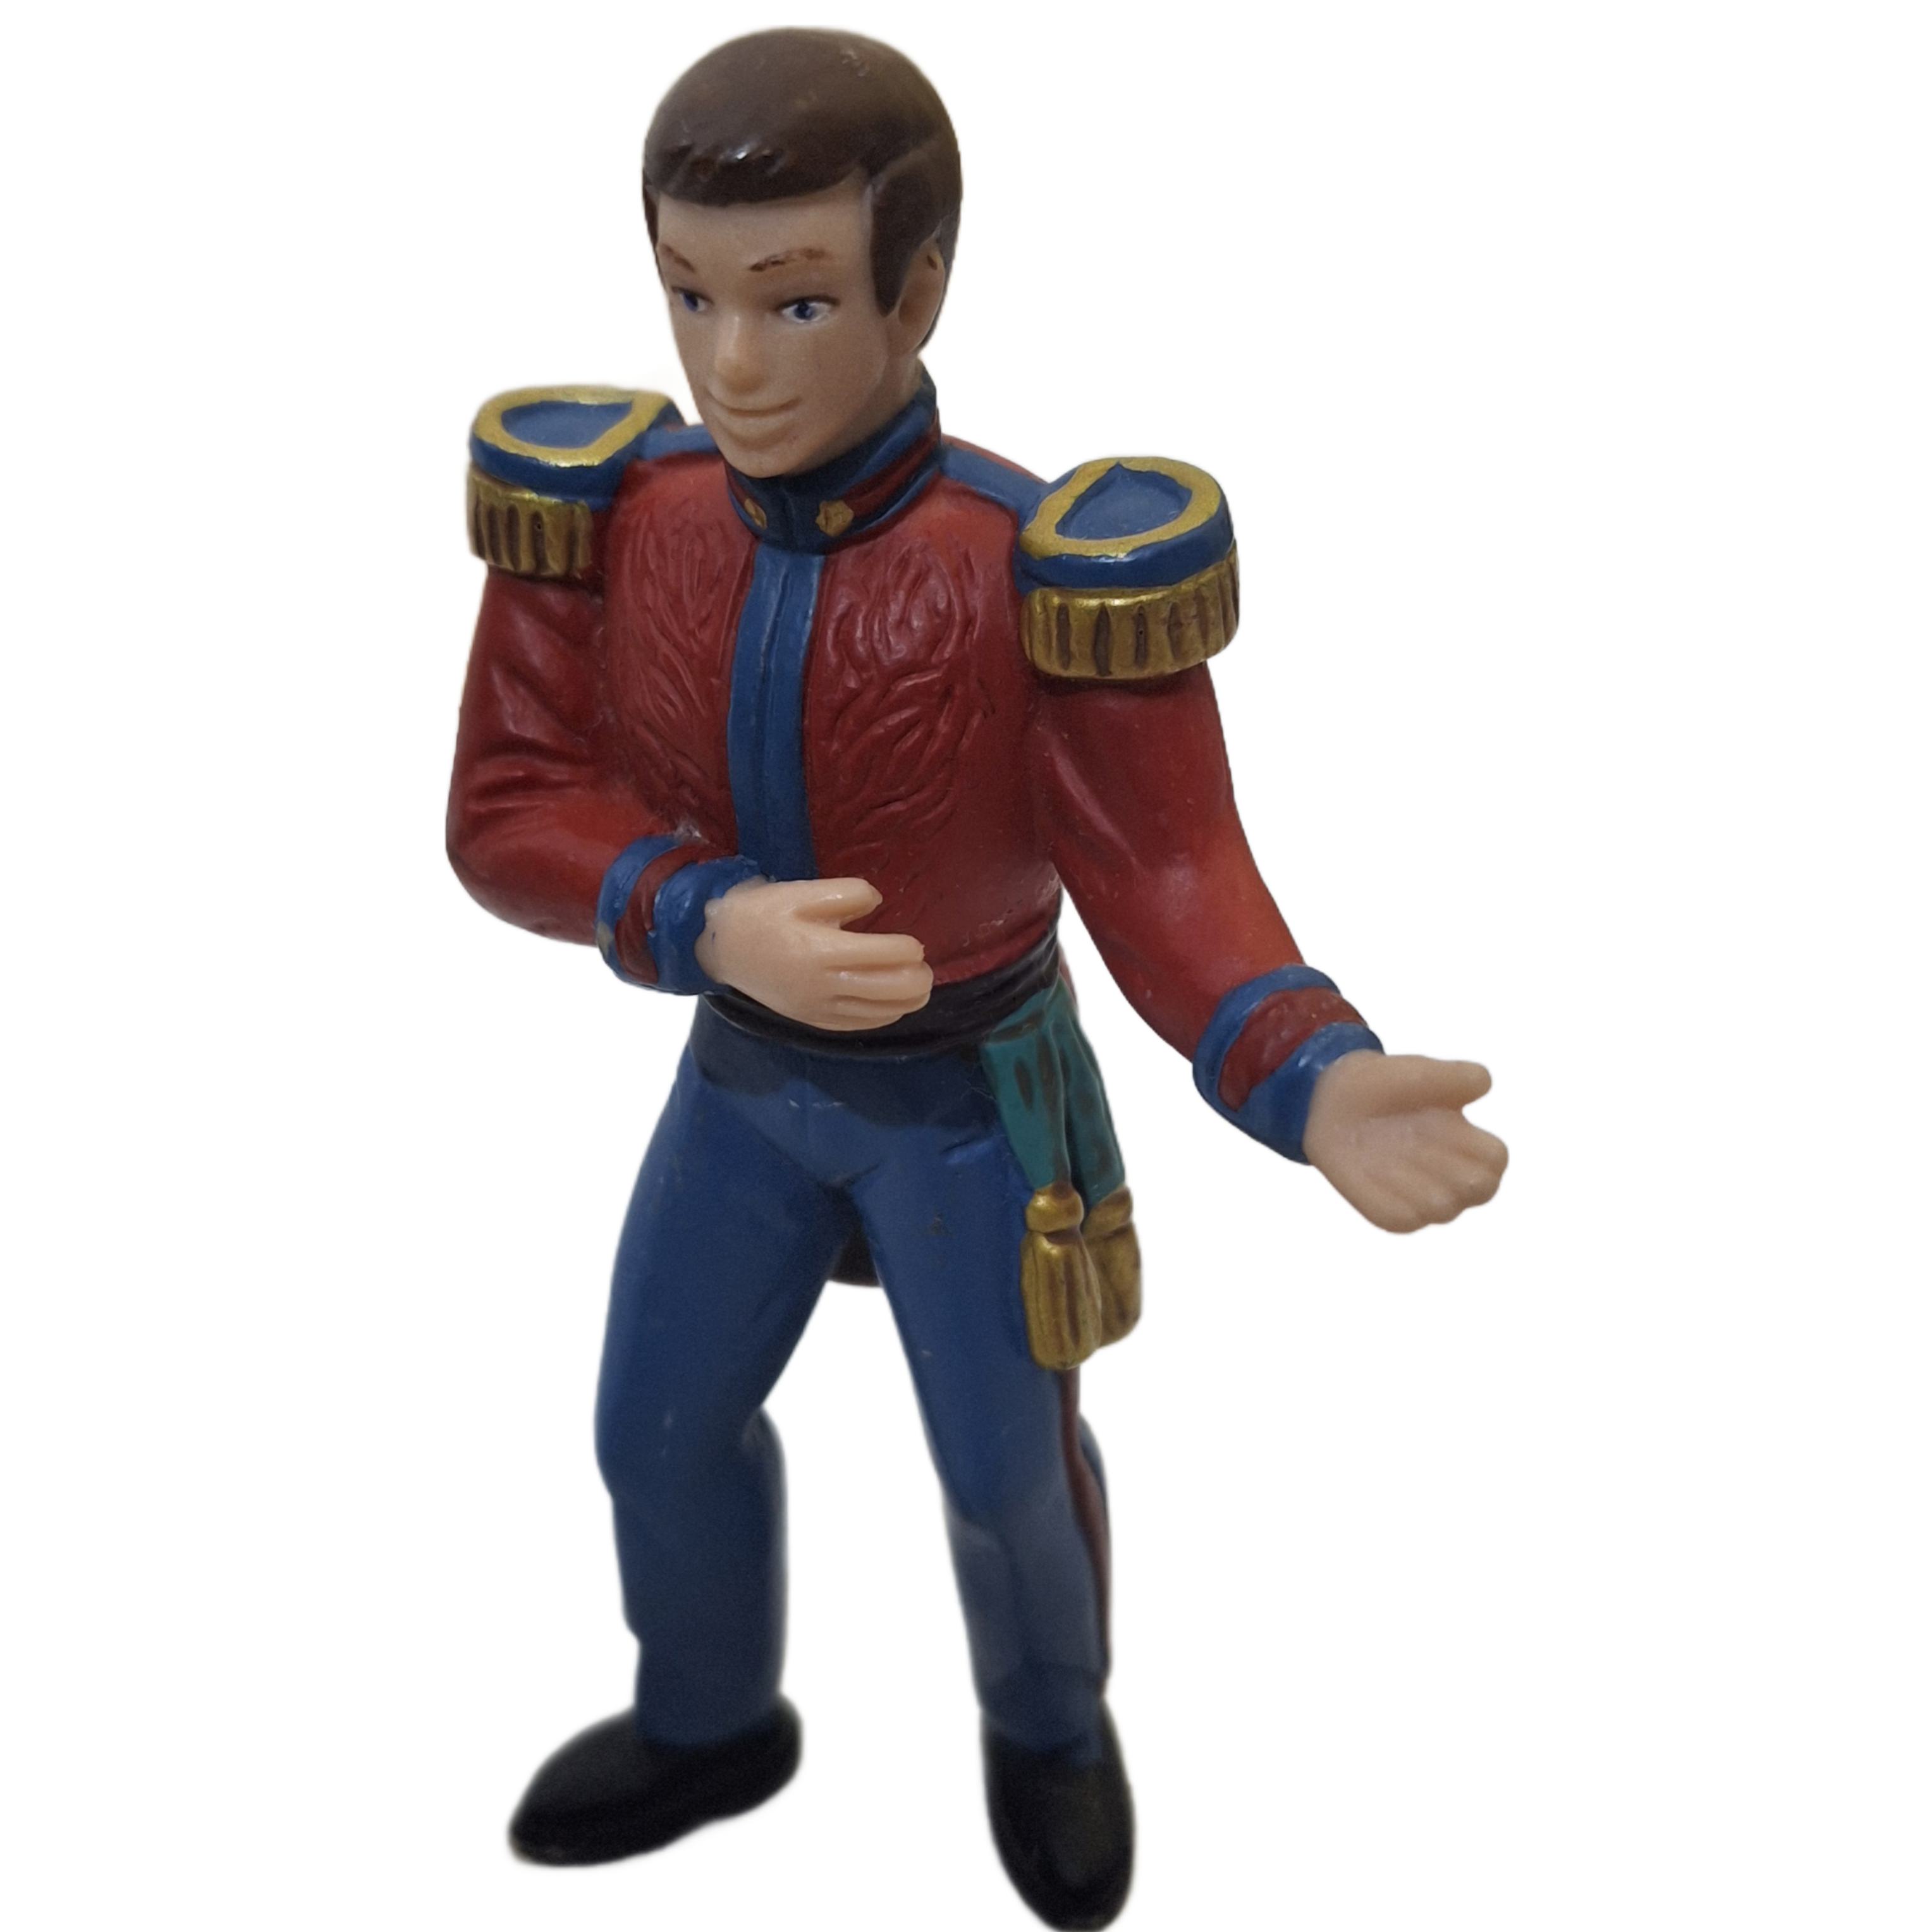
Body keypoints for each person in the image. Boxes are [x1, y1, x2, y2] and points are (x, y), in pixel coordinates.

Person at [448, 28, 1506, 1929]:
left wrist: (1314, 1074)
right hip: (747, 1083)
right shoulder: (622, 520)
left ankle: (1049, 1726)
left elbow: (1171, 878)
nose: (732, 363)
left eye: (796, 300)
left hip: (971, 1100)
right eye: (691, 294)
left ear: (917, 290)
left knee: (1005, 1475)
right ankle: (708, 1714)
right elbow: (508, 805)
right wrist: (702, 919)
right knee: (653, 1427)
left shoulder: (1033, 573)